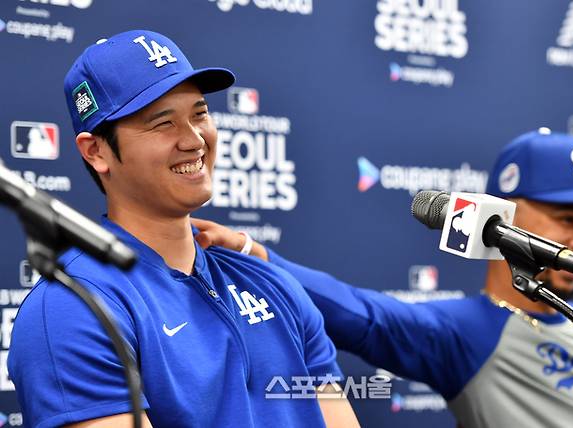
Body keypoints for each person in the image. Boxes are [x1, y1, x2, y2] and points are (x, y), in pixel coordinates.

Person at [8, 30, 359, 428]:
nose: (194, 140)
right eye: (163, 123)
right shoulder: (74, 307)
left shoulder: (272, 284)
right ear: (96, 151)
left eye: (200, 114)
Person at [193, 129, 573, 427]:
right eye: (567, 218)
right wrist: (253, 254)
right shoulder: (468, 333)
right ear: (502, 217)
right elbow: (363, 314)